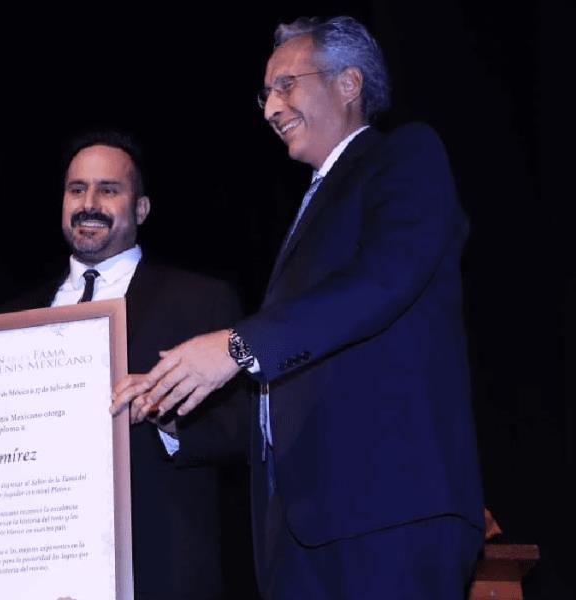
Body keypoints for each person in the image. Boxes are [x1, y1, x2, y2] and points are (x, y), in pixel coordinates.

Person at [113, 16, 484, 599]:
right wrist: (173, 398)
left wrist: (238, 346)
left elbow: (383, 280)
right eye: (265, 94)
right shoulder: (312, 205)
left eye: (286, 85)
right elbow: (295, 385)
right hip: (301, 534)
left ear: (349, 83)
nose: (269, 109)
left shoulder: (405, 156)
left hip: (386, 514)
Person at [0, 130, 255, 599]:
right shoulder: (7, 320)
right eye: (76, 189)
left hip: (158, 568)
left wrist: (164, 412)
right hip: (34, 571)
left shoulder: (199, 300)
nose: (89, 202)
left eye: (109, 189)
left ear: (140, 209)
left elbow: (244, 426)